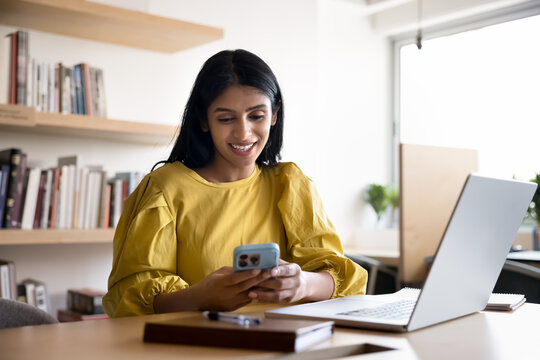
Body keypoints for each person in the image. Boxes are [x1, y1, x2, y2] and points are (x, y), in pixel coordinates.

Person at [103, 49, 367, 317]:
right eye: (226, 118)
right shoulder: (163, 190)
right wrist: (201, 296)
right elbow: (131, 301)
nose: (243, 132)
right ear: (204, 121)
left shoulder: (290, 184)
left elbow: (343, 281)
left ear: (274, 115)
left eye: (256, 116)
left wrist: (304, 285)